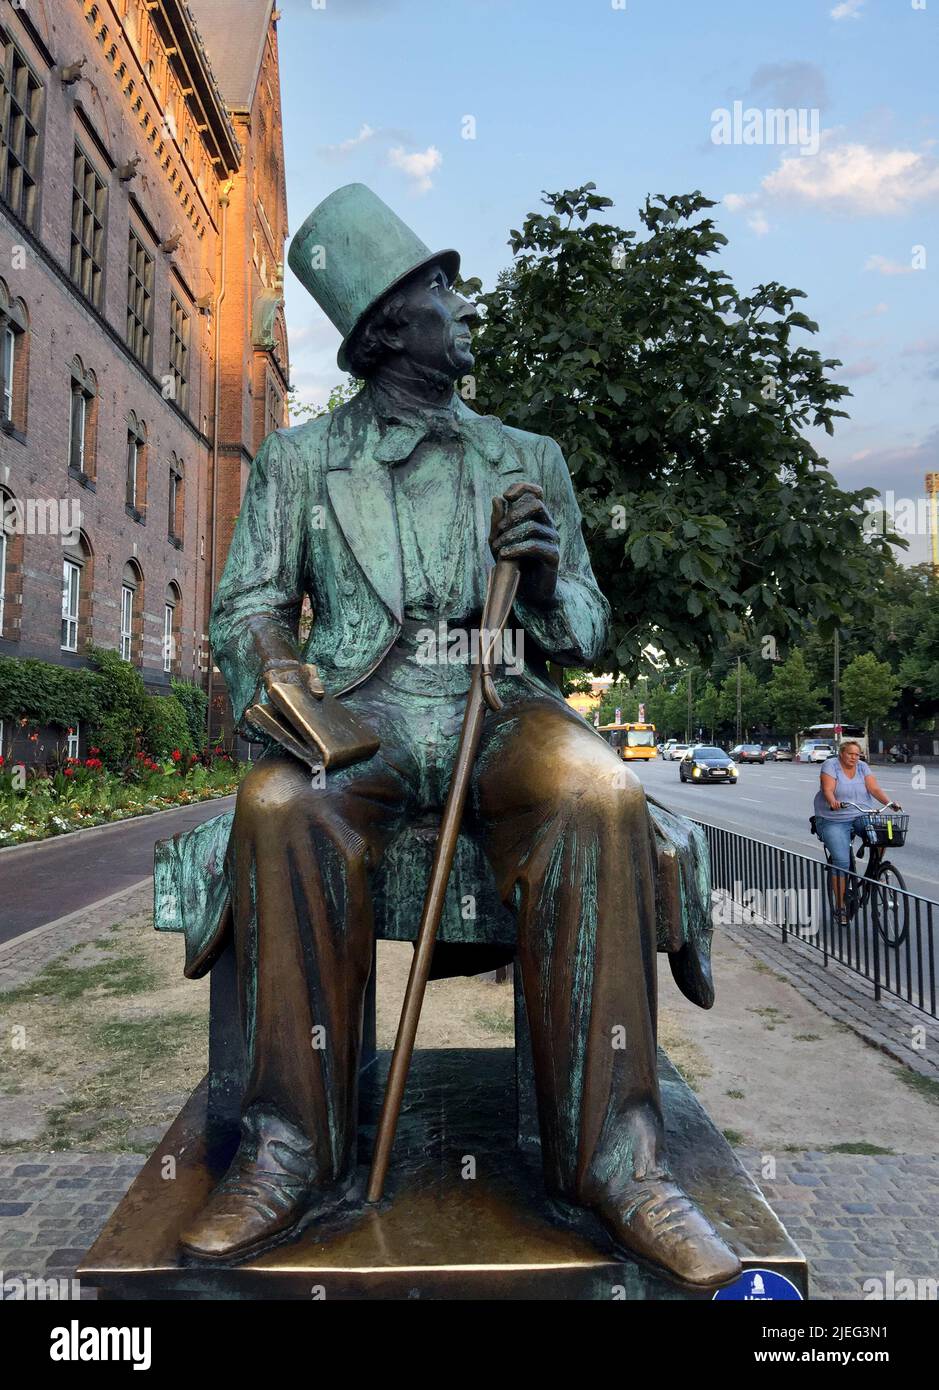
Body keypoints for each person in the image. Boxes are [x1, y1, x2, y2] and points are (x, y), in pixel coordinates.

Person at [173, 184, 740, 1290]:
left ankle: (616, 1167)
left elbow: (583, 628)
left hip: (500, 707)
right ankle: (294, 1153)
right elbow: (244, 608)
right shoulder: (296, 463)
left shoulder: (529, 454)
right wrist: (292, 697)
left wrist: (537, 573)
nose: (465, 304)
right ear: (388, 326)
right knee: (281, 806)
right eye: (443, 290)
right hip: (362, 711)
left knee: (602, 792)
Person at [813, 741, 901, 923]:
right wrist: (832, 801)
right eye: (850, 754)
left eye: (857, 754)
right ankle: (840, 907)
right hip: (834, 818)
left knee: (883, 835)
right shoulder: (831, 765)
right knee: (842, 861)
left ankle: (875, 870)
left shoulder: (862, 767)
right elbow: (827, 789)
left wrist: (889, 802)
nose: (854, 757)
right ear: (841, 754)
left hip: (861, 814)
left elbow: (873, 788)